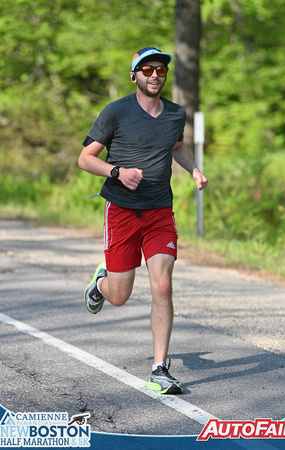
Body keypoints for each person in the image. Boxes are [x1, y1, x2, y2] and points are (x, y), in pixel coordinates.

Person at [78, 47, 208, 395]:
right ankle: (101, 283)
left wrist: (193, 169)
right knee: (120, 297)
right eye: (147, 69)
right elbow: (85, 159)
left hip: (159, 211)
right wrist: (116, 172)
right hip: (121, 210)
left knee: (163, 286)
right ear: (134, 75)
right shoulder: (116, 112)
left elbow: (177, 146)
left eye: (161, 71)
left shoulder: (175, 114)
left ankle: (159, 369)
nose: (155, 75)